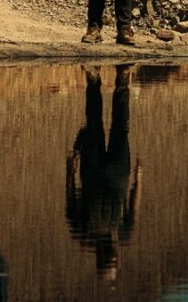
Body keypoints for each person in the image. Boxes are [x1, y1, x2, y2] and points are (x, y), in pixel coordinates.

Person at [66, 64, 143, 282]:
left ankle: (107, 79)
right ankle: (108, 79)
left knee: (109, 125)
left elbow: (70, 199)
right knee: (106, 125)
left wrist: (138, 178)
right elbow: (133, 205)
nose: (112, 255)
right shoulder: (110, 233)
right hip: (106, 172)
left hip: (104, 172)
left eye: (109, 259)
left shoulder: (85, 233)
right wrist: (139, 178)